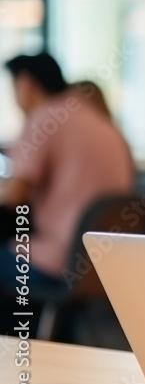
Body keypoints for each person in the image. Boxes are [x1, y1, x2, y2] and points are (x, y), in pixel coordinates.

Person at [0, 53, 134, 333]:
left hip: (58, 264)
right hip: (101, 267)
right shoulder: (106, 126)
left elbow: (14, 195)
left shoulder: (45, 117)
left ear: (25, 84)